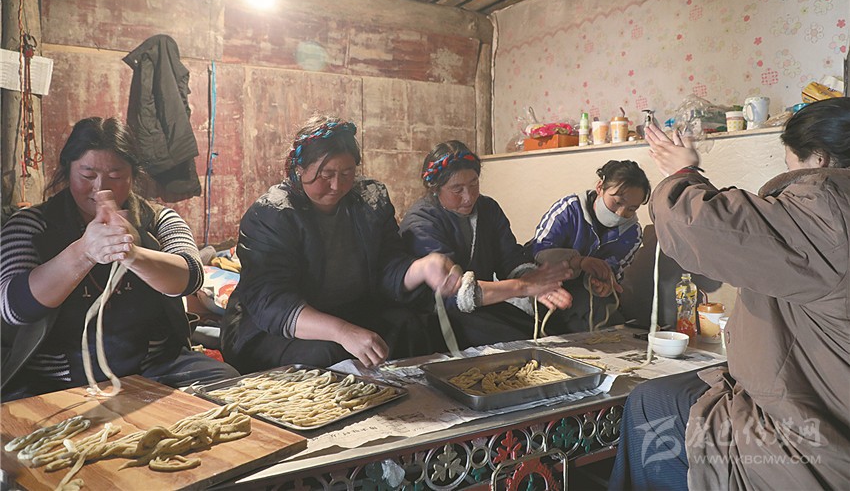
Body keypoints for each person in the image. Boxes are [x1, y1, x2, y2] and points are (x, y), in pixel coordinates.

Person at [609, 98, 850, 490]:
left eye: (791, 166)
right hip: (828, 398)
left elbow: (707, 226)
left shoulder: (827, 210)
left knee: (650, 403)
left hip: (814, 440)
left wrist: (682, 174)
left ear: (819, 159)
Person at [0, 117, 237, 400]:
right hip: (57, 376)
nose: (101, 188)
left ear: (133, 176)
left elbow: (190, 277)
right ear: (67, 169)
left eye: (115, 176)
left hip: (154, 367)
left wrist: (132, 253)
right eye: (87, 175)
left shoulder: (159, 219)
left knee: (227, 383)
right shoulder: (31, 224)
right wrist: (84, 251)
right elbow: (13, 309)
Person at [221, 116, 461, 373]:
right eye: (326, 175)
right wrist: (343, 331)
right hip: (269, 328)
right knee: (327, 355)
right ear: (299, 169)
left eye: (347, 173)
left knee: (412, 327)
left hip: (347, 312)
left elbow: (388, 266)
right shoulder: (272, 214)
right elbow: (272, 303)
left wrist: (423, 268)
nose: (337, 185)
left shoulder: (370, 201)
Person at [399, 141, 583, 349]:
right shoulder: (421, 222)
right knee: (518, 343)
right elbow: (454, 293)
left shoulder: (488, 208)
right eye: (457, 189)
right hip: (440, 315)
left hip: (481, 304)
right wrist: (523, 286)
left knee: (553, 332)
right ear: (435, 189)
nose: (468, 197)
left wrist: (535, 281)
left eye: (474, 184)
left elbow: (510, 259)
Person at [529, 160, 650, 332]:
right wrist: (577, 262)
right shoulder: (569, 209)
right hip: (546, 286)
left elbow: (613, 270)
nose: (621, 213)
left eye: (631, 209)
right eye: (617, 202)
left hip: (585, 295)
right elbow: (538, 253)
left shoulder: (631, 233)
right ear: (600, 187)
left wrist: (602, 283)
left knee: (607, 322)